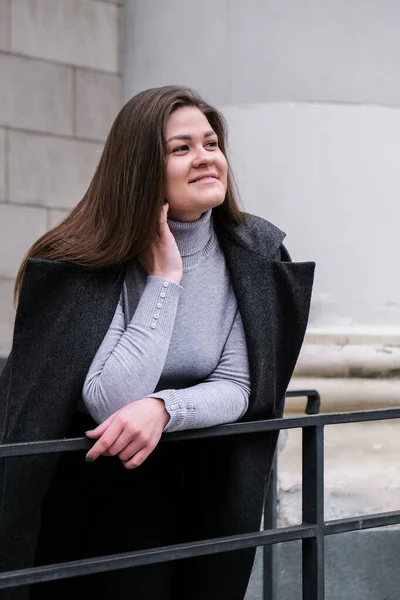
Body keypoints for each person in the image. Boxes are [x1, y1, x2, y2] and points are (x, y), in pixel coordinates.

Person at [0, 86, 314, 600]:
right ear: (142, 166)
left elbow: (239, 385)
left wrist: (164, 409)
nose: (205, 158)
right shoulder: (83, 261)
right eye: (181, 148)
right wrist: (165, 278)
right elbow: (111, 399)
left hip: (208, 484)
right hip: (101, 494)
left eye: (211, 143)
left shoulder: (254, 251)